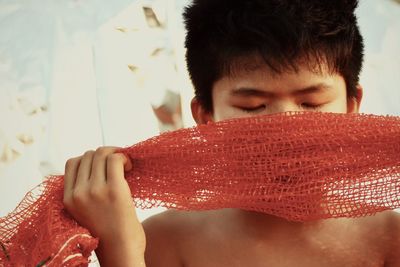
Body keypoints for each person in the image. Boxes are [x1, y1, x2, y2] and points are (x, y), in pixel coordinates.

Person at [63, 0, 400, 266]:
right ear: (206, 117)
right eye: (252, 107)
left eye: (311, 102)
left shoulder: (391, 239)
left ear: (352, 108)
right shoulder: (163, 242)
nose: (286, 132)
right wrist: (120, 249)